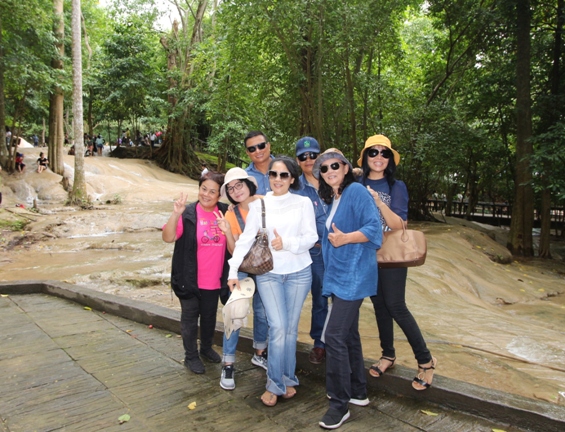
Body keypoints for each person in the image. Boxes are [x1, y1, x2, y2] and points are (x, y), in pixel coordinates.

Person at [227, 156, 317, 407]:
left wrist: (287, 243)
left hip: (300, 272)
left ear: (292, 178)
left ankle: (288, 378)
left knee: (289, 329)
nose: (278, 179)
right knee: (277, 327)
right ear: (269, 178)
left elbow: (311, 237)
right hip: (269, 274)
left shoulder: (303, 203)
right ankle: (274, 383)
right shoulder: (259, 206)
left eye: (284, 174)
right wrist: (232, 271)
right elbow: (245, 240)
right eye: (274, 174)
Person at [358, 134, 437, 391]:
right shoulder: (357, 183)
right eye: (373, 152)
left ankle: (426, 361)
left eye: (384, 153)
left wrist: (379, 202)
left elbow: (400, 224)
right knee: (379, 305)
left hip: (392, 253)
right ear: (365, 157)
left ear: (390, 159)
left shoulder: (396, 186)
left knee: (395, 305)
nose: (379, 157)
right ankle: (388, 355)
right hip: (365, 253)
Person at [313, 148, 382, 429]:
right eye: (324, 168)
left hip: (354, 275)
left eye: (335, 166)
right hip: (339, 275)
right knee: (349, 334)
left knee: (333, 336)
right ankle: (358, 390)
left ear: (345, 168)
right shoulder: (335, 197)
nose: (330, 171)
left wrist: (346, 238)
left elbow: (374, 229)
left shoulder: (356, 192)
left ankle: (339, 404)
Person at [162, 171, 230, 375]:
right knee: (190, 318)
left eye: (212, 191)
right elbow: (168, 237)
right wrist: (176, 213)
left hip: (215, 280)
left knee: (209, 317)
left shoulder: (226, 212)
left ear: (220, 194)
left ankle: (206, 348)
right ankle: (190, 356)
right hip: (189, 278)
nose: (206, 194)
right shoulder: (188, 213)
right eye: (203, 189)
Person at [215, 167, 269, 390]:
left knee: (263, 312)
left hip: (266, 265)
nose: (236, 190)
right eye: (230, 188)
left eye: (239, 185)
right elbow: (234, 250)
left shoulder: (266, 203)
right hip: (244, 267)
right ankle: (228, 363)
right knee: (235, 312)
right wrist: (227, 231)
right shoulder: (231, 213)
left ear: (249, 185)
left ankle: (260, 352)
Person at [293, 137, 329, 364]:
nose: (309, 160)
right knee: (320, 298)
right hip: (312, 251)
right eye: (303, 156)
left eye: (313, 155)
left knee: (342, 299)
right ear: (297, 161)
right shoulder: (294, 187)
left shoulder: (332, 178)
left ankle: (338, 341)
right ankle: (319, 343)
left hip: (339, 249)